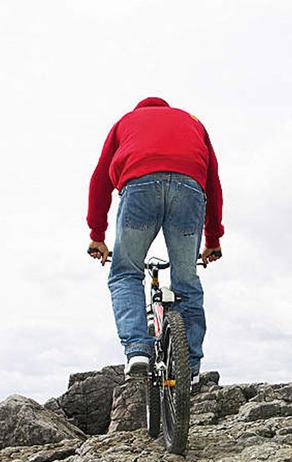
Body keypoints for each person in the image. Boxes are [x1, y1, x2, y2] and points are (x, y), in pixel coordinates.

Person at [87, 96, 224, 382]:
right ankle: (191, 369)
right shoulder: (193, 121)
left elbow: (100, 179)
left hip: (140, 186)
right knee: (186, 280)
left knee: (125, 272)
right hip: (190, 188)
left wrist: (96, 236)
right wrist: (213, 239)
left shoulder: (125, 122)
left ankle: (137, 349)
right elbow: (213, 182)